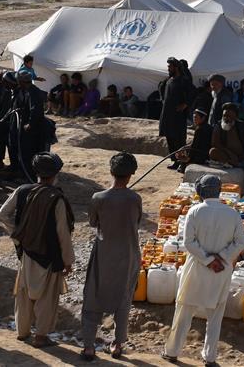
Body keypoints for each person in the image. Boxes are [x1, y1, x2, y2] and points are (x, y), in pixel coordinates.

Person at [162, 175, 244, 367]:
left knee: (184, 311)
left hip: (196, 269)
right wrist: (222, 257)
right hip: (221, 270)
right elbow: (240, 242)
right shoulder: (232, 213)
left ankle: (172, 352)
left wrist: (208, 260)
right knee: (215, 316)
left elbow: (188, 242)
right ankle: (209, 357)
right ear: (219, 190)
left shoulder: (195, 211)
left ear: (200, 192)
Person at [8, 153, 75, 348]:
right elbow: (63, 232)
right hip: (50, 256)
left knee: (24, 293)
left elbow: (2, 213)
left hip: (26, 253)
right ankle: (41, 337)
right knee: (46, 298)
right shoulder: (57, 198)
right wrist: (68, 260)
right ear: (55, 174)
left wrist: (19, 233)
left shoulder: (22, 190)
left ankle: (22, 332)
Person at [80, 153, 142, 361]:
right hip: (129, 254)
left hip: (103, 254)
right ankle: (117, 345)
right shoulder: (135, 199)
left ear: (110, 171)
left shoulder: (98, 198)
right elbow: (137, 221)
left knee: (92, 296)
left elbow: (93, 222)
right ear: (131, 175)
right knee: (123, 300)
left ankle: (89, 347)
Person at [160, 58, 191, 170]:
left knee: (179, 140)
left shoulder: (184, 80)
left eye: (170, 67)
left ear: (176, 67)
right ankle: (175, 161)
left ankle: (182, 163)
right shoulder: (169, 80)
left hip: (178, 117)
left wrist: (185, 104)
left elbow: (192, 94)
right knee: (170, 139)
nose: (168, 69)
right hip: (168, 115)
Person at [177, 108, 213, 172]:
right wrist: (184, 147)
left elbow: (194, 146)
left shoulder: (199, 129)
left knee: (182, 159)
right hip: (206, 155)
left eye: (196, 117)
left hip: (201, 157)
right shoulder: (208, 127)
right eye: (193, 117)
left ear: (203, 118)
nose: (194, 119)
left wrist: (188, 158)